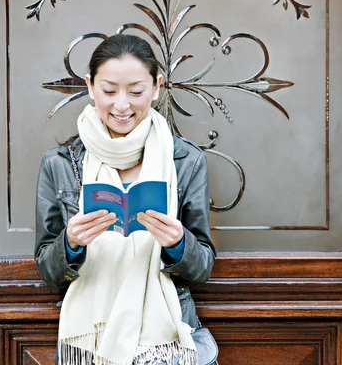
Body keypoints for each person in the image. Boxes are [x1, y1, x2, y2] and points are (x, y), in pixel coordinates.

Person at [34, 34, 217, 365]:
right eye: (108, 91)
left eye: (136, 92)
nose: (121, 105)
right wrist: (71, 242)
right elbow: (47, 268)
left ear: (156, 86)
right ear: (90, 86)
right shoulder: (60, 164)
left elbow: (203, 265)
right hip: (89, 341)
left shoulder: (185, 161)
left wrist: (178, 243)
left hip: (165, 346)